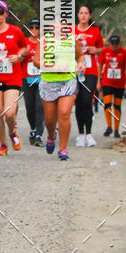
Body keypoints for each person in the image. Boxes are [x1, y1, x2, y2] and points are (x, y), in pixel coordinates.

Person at [0, 0, 28, 155]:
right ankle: (3, 145)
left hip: (12, 78)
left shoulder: (15, 31)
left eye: (1, 12)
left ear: (6, 14)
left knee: (9, 112)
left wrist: (19, 55)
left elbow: (24, 48)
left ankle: (12, 132)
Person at [34, 26, 82, 160]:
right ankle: (51, 136)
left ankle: (63, 149)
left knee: (64, 113)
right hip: (48, 82)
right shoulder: (44, 40)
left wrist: (80, 64)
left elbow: (80, 56)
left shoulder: (72, 40)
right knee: (50, 119)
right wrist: (53, 67)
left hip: (68, 81)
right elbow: (36, 61)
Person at [74, 5, 103, 147]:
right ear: (78, 15)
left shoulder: (95, 31)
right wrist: (76, 38)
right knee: (78, 102)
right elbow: (65, 46)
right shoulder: (72, 30)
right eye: (81, 13)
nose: (83, 15)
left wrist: (95, 50)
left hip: (90, 70)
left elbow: (101, 49)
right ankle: (80, 134)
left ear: (90, 15)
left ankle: (89, 133)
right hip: (75, 70)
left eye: (86, 13)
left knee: (87, 101)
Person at [98, 35, 126, 138]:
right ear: (109, 43)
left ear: (119, 43)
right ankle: (109, 127)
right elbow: (99, 64)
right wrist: (99, 81)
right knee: (107, 103)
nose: (114, 46)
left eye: (116, 43)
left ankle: (116, 129)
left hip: (120, 82)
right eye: (112, 43)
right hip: (107, 81)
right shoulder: (105, 51)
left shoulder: (124, 52)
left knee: (117, 105)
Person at [22, 18, 43, 146]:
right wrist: (23, 54)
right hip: (27, 77)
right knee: (29, 106)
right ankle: (33, 128)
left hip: (42, 78)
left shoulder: (45, 42)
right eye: (32, 27)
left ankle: (39, 134)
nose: (34, 30)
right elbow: (18, 61)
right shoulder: (24, 42)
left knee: (40, 106)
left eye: (37, 27)